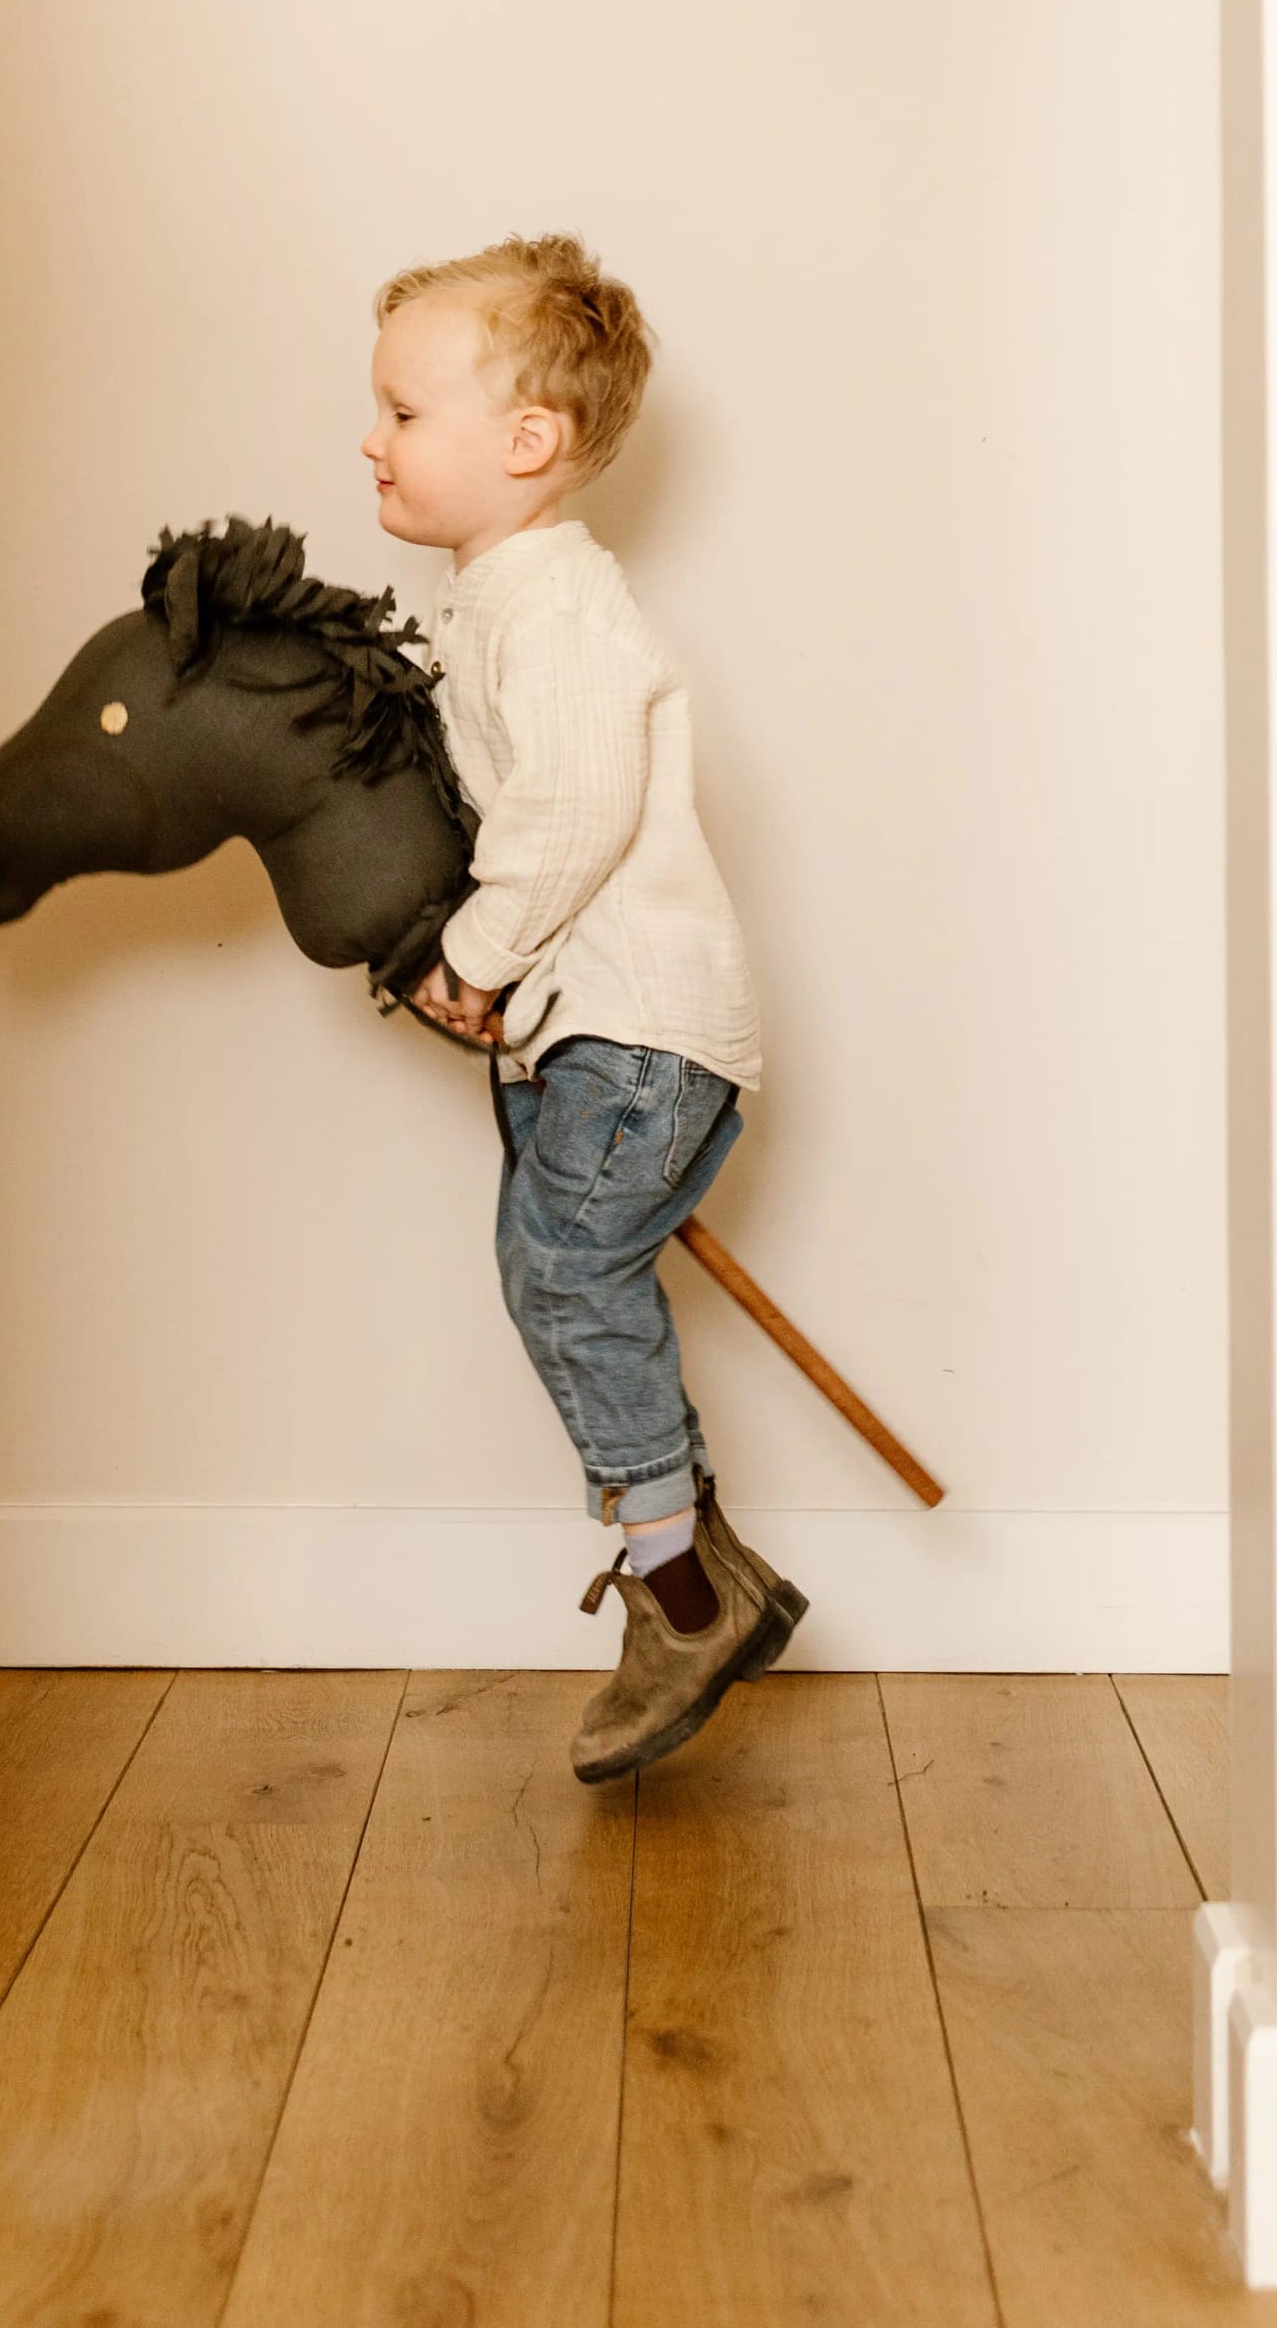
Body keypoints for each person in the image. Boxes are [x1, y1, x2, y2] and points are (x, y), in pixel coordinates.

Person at [363, 233, 806, 1779]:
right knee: (550, 1268)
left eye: (405, 412)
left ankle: (681, 1594)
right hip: (596, 1025)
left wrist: (478, 959)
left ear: (528, 441)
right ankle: (711, 1564)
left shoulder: (554, 608)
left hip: (637, 1029)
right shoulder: (500, 601)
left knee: (563, 1274)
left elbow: (571, 806)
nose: (374, 439)